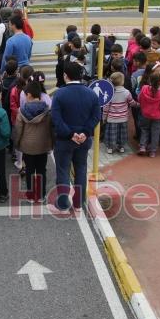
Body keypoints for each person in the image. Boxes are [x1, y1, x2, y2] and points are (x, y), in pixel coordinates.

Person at [51, 61, 101, 212]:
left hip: (64, 140)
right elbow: (96, 116)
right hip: (84, 140)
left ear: (65, 76)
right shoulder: (91, 94)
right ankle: (79, 204)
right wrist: (85, 133)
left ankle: (63, 204)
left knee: (63, 170)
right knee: (81, 169)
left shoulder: (59, 94)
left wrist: (71, 134)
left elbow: (56, 120)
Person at [14, 81, 53, 203]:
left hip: (27, 145)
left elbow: (18, 129)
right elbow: (51, 129)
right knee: (42, 170)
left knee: (30, 170)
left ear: (29, 95)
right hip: (42, 145)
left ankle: (30, 196)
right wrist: (51, 144)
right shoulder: (47, 110)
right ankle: (41, 195)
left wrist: (17, 143)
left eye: (25, 95)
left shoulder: (22, 110)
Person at [103, 72, 136, 154]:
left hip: (112, 118)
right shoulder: (127, 92)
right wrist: (138, 105)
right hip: (123, 117)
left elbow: (106, 107)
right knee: (122, 133)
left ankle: (110, 147)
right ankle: (121, 146)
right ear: (122, 82)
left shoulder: (110, 93)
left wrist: (104, 117)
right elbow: (131, 102)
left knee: (112, 133)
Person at [137, 71, 160, 157]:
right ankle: (152, 151)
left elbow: (139, 99)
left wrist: (143, 108)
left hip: (145, 114)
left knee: (144, 130)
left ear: (149, 80)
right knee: (155, 132)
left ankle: (142, 146)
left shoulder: (144, 88)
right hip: (157, 116)